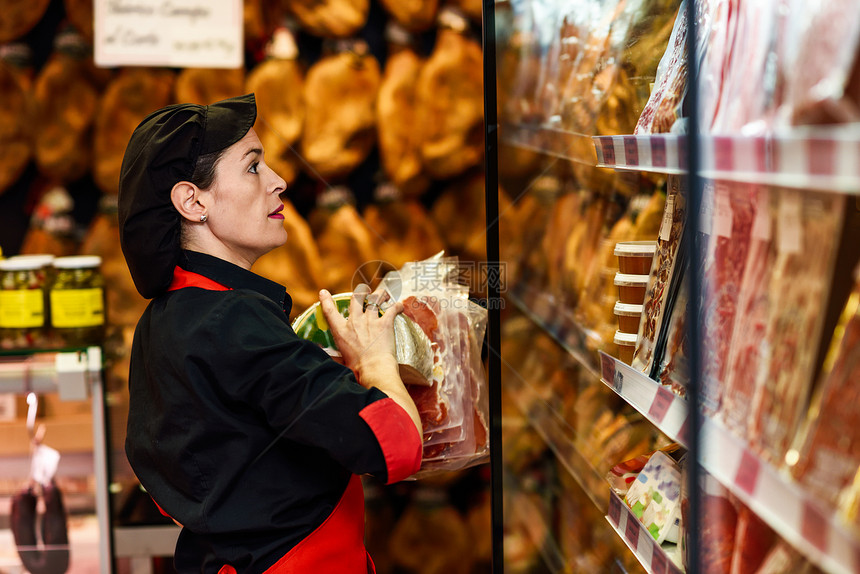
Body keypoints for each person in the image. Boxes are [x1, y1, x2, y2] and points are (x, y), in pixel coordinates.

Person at [117, 93, 423, 574]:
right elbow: (397, 445)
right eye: (253, 167)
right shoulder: (235, 321)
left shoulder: (162, 320)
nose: (279, 182)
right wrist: (375, 359)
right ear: (193, 202)